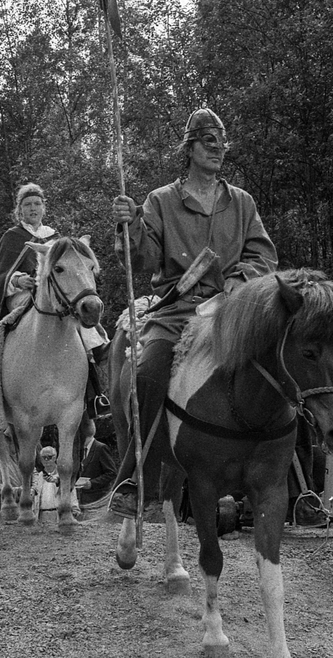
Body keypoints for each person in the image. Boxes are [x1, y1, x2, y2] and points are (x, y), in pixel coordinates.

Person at [107, 108, 279, 518]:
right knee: (148, 374)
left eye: (222, 144)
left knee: (284, 369)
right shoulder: (160, 201)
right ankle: (139, 481)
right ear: (189, 149)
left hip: (229, 312)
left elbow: (264, 255)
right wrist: (129, 226)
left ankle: (294, 486)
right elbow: (143, 259)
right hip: (177, 312)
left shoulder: (242, 202)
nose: (217, 150)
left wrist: (241, 278)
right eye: (208, 143)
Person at [0, 182, 108, 420]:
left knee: (85, 327)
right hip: (20, 296)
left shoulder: (55, 238)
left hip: (55, 296)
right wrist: (17, 280)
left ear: (44, 208)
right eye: (27, 204)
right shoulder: (12, 238)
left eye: (37, 204)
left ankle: (95, 393)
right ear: (19, 211)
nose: (33, 208)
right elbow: (0, 275)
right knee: (8, 326)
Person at [74, 418, 118, 507]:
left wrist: (92, 483)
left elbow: (111, 473)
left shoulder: (101, 448)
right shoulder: (79, 450)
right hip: (81, 499)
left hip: (97, 498)